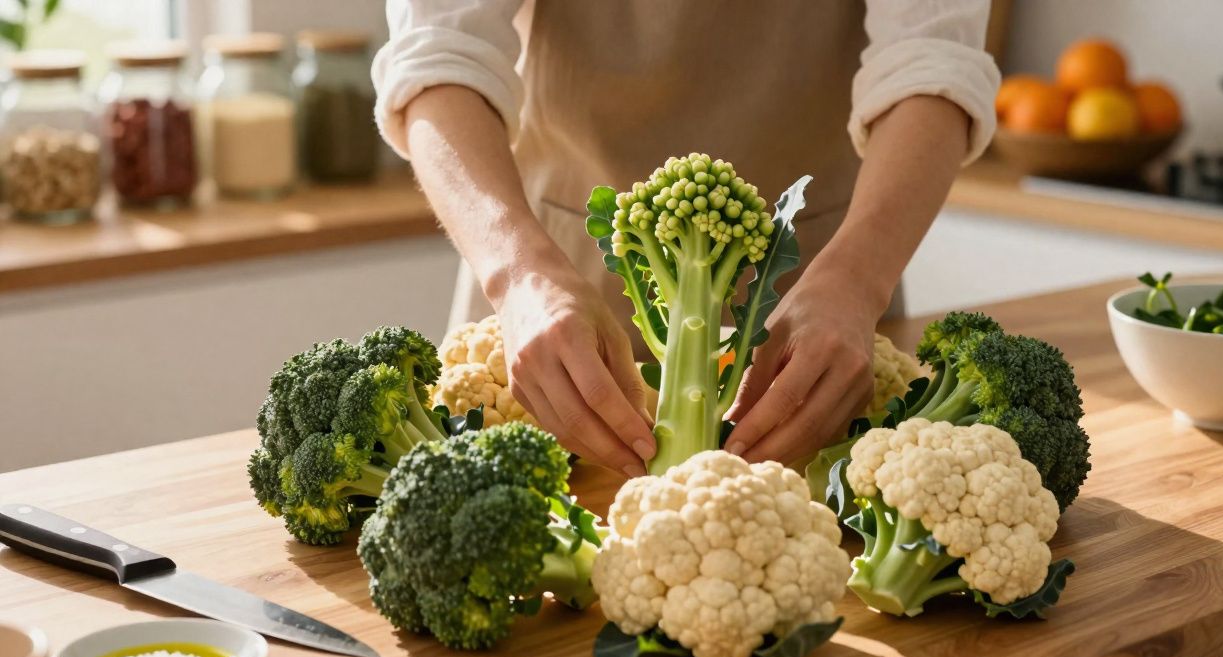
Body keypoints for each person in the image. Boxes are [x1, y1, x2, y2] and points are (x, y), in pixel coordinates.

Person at [373, 0, 1000, 477]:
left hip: (834, 283)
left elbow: (935, 60)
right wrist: (516, 273)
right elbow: (438, 55)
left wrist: (858, 279)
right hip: (543, 271)